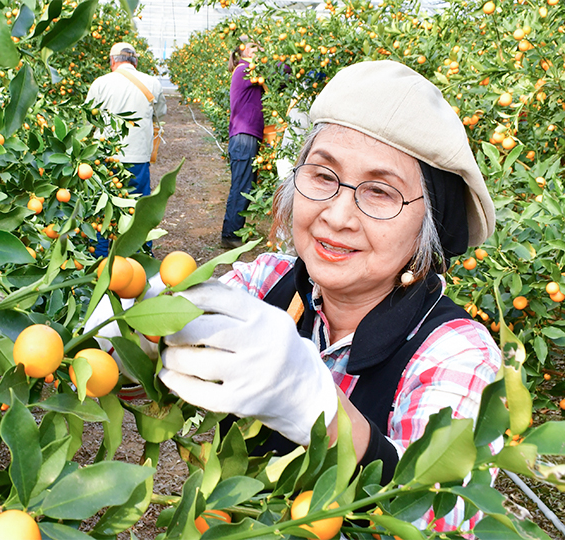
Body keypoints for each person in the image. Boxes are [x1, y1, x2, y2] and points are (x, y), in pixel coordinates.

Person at [158, 60, 501, 532]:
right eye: (322, 176)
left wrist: (322, 411)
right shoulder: (268, 282)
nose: (337, 215)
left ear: (430, 223)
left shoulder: (456, 352)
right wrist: (138, 328)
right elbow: (165, 365)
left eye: (380, 192)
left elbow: (444, 514)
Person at [86, 42, 166, 256]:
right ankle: (140, 257)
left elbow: (88, 120)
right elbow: (162, 113)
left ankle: (100, 260)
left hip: (105, 158)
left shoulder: (100, 83)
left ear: (112, 61)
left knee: (103, 208)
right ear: (135, 61)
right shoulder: (152, 83)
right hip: (138, 157)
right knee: (138, 208)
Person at [222, 41, 264, 249]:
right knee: (241, 185)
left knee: (245, 183)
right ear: (246, 51)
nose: (262, 52)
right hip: (243, 135)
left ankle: (233, 231)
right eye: (257, 48)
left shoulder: (247, 71)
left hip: (246, 135)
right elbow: (279, 69)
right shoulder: (246, 69)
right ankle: (230, 234)